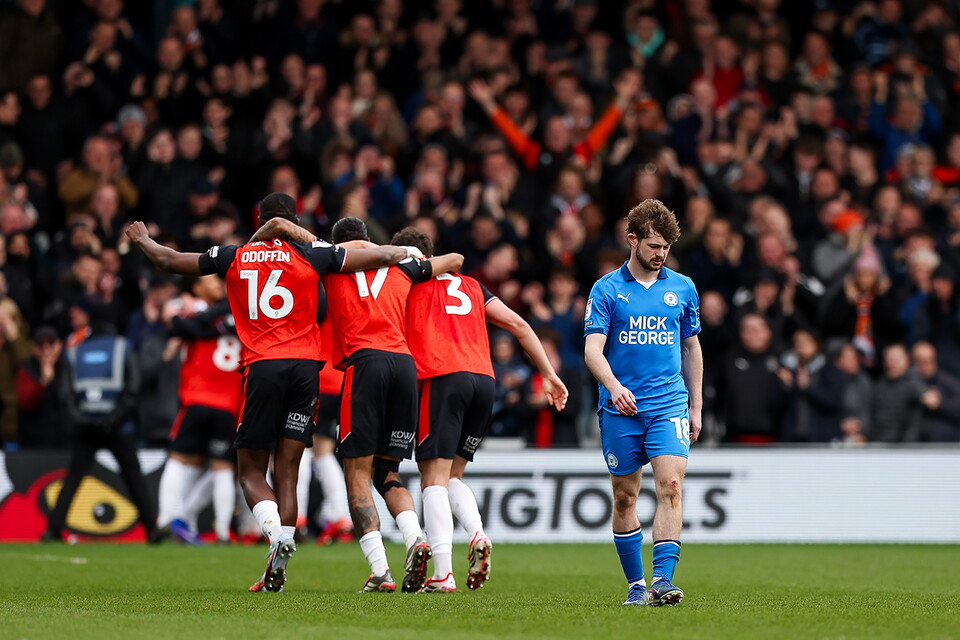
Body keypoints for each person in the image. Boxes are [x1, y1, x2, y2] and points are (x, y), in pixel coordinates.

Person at [126, 192, 424, 592]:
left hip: (262, 366)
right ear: (294, 220)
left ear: (260, 220)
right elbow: (378, 258)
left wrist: (144, 239)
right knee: (288, 471)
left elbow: (168, 260)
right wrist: (407, 250)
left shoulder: (234, 254)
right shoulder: (313, 255)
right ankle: (280, 557)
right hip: (306, 370)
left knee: (250, 469)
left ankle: (278, 538)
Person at [249, 214, 463, 593]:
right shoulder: (402, 265)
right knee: (389, 473)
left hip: (365, 365)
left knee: (357, 474)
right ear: (367, 238)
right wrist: (401, 253)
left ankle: (380, 571)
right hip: (404, 366)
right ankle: (416, 538)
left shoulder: (332, 261)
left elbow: (294, 236)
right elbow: (455, 260)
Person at [392, 226, 568, 592]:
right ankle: (477, 534)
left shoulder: (407, 282)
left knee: (433, 479)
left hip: (442, 377)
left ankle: (443, 574)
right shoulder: (471, 285)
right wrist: (548, 374)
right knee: (454, 476)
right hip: (483, 381)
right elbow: (519, 323)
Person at [583, 199, 703, 607]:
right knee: (624, 497)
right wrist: (614, 387)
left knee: (671, 486)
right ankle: (635, 585)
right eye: (653, 245)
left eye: (666, 247)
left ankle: (662, 582)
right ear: (631, 239)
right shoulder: (607, 289)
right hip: (621, 408)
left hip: (668, 403)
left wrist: (696, 406)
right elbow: (592, 351)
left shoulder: (682, 287)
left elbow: (692, 347)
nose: (660, 254)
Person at [41, 301, 157, 542]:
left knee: (73, 478)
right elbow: (133, 388)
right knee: (133, 477)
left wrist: (83, 420)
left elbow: (65, 394)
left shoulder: (75, 351)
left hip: (85, 427)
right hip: (118, 426)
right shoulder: (123, 347)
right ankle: (152, 530)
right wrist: (112, 420)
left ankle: (52, 530)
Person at [154, 275, 242, 545]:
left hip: (197, 398)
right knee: (223, 467)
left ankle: (165, 520)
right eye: (211, 280)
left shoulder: (192, 314)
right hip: (228, 403)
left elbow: (176, 327)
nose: (217, 284)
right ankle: (223, 532)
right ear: (196, 287)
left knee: (179, 459)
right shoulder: (241, 317)